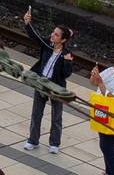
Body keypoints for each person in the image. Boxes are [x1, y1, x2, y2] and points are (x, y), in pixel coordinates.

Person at [23, 8, 75, 153]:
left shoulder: (67, 54)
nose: (52, 35)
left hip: (56, 87)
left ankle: (54, 143)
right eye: (53, 32)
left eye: (56, 35)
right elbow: (35, 37)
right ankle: (33, 140)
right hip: (41, 83)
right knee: (36, 113)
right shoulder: (47, 44)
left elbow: (66, 74)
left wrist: (68, 63)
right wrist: (27, 24)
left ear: (63, 40)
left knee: (56, 116)